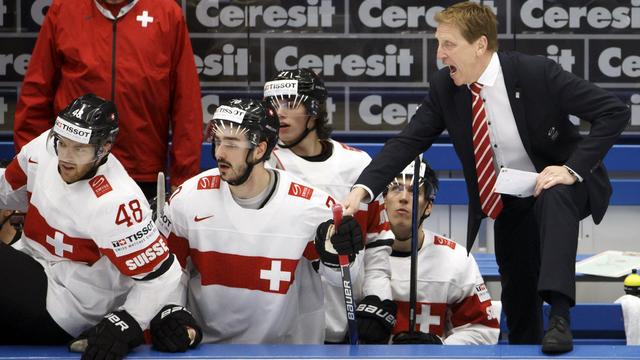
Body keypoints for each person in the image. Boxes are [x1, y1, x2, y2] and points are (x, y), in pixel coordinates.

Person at [343, 1, 630, 354]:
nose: (440, 54)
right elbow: (408, 141)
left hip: (566, 185)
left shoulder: (535, 72)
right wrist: (363, 188)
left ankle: (559, 315)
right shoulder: (446, 87)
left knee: (554, 193)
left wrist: (571, 170)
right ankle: (528, 342)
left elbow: (613, 112)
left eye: (449, 45)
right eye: (438, 44)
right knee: (518, 300)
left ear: (480, 44)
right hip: (509, 199)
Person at [150, 98, 364, 345]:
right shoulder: (188, 197)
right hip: (206, 350)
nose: (219, 153)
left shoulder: (311, 206)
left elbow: (343, 281)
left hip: (287, 353)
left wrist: (340, 254)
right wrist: (172, 313)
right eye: (218, 141)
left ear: (260, 149)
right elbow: (165, 274)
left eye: (231, 144)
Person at [0, 94, 183, 360]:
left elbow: (163, 275)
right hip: (31, 265)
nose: (66, 156)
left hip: (68, 304)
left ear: (104, 147)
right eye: (62, 143)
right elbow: (8, 189)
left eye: (79, 148)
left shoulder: (119, 202)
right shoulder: (45, 148)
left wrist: (126, 323)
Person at [14, 0, 202, 199]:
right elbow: (36, 93)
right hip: (72, 168)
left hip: (140, 172)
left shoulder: (167, 12)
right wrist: (31, 172)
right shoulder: (64, 8)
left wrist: (183, 181)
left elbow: (186, 106)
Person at [263, 68, 396, 344]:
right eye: (272, 105)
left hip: (346, 323)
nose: (279, 113)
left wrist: (375, 299)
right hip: (287, 328)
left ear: (314, 109)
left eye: (289, 102)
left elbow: (377, 245)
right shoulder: (265, 167)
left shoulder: (357, 165)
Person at [384, 160, 499, 345]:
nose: (403, 198)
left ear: (428, 206)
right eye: (396, 188)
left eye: (414, 191)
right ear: (384, 201)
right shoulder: (361, 255)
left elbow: (483, 331)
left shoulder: (455, 259)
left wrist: (438, 348)